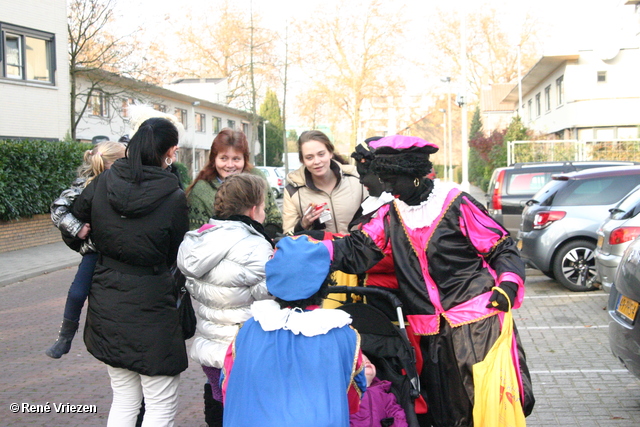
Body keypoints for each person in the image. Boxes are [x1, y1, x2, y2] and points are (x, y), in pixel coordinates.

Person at [327, 135, 535, 427]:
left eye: (391, 180)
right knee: (443, 410)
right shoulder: (392, 213)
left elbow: (501, 246)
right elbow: (358, 249)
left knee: (481, 407)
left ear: (412, 177)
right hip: (430, 331)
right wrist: (315, 251)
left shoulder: (455, 203)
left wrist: (509, 284)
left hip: (477, 324)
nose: (386, 187)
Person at [72, 117, 189, 427]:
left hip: (108, 297)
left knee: (124, 397)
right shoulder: (174, 197)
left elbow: (72, 223)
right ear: (170, 152)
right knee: (159, 403)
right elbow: (179, 253)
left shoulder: (102, 182)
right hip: (154, 303)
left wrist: (86, 237)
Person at [221, 235, 367, 427]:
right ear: (325, 282)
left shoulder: (247, 331)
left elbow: (227, 387)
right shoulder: (344, 335)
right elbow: (353, 396)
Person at [177, 173, 275, 427]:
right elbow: (268, 294)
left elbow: (196, 288)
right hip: (244, 348)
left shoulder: (198, 240)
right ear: (254, 209)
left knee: (219, 402)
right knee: (250, 410)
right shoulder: (255, 245)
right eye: (264, 206)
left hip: (210, 344)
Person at [46, 141, 126, 359]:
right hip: (95, 251)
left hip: (121, 250)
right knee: (78, 292)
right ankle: (64, 337)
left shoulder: (125, 184)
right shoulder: (82, 186)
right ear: (114, 163)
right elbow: (57, 209)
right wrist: (77, 228)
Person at [185, 128, 282, 237]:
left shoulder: (257, 178)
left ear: (245, 159)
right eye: (224, 158)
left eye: (236, 159)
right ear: (214, 159)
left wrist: (259, 239)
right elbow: (198, 236)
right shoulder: (201, 191)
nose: (230, 165)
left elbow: (276, 220)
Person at [282, 130, 366, 235]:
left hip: (357, 249)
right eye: (309, 157)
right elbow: (288, 235)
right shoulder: (293, 190)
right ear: (302, 160)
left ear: (330, 153)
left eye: (321, 154)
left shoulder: (358, 180)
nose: (317, 161)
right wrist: (303, 224)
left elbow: (377, 221)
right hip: (320, 250)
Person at [350, 354, 408, 427]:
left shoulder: (384, 394)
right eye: (361, 361)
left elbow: (397, 414)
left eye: (369, 361)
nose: (367, 362)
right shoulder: (347, 394)